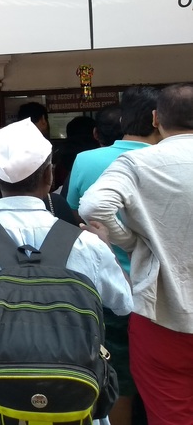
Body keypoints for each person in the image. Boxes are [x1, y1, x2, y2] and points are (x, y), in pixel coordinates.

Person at [0, 118, 133, 425]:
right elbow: (124, 304)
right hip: (77, 406)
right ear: (50, 175)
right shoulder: (86, 244)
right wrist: (105, 248)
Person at [79, 83, 193, 424]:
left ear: (156, 118)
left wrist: (131, 241)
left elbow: (94, 206)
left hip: (161, 316)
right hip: (158, 317)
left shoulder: (138, 163)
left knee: (171, 414)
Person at [66, 86, 159, 425]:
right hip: (162, 288)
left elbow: (76, 214)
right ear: (157, 119)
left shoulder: (87, 161)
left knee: (115, 372)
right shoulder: (165, 161)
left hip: (107, 285)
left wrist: (118, 240)